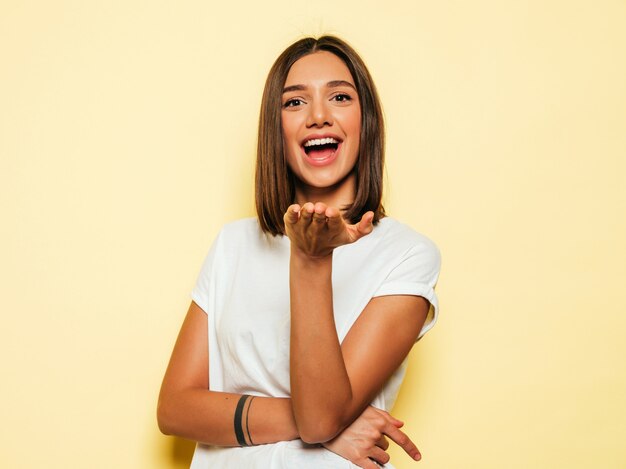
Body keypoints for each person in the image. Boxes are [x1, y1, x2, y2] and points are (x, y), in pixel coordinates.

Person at [157, 35, 441, 469]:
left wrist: (311, 258)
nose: (319, 116)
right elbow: (174, 408)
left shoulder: (406, 254)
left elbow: (321, 416)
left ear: (366, 121)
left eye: (340, 97)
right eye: (294, 103)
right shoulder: (232, 245)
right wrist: (333, 427)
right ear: (277, 128)